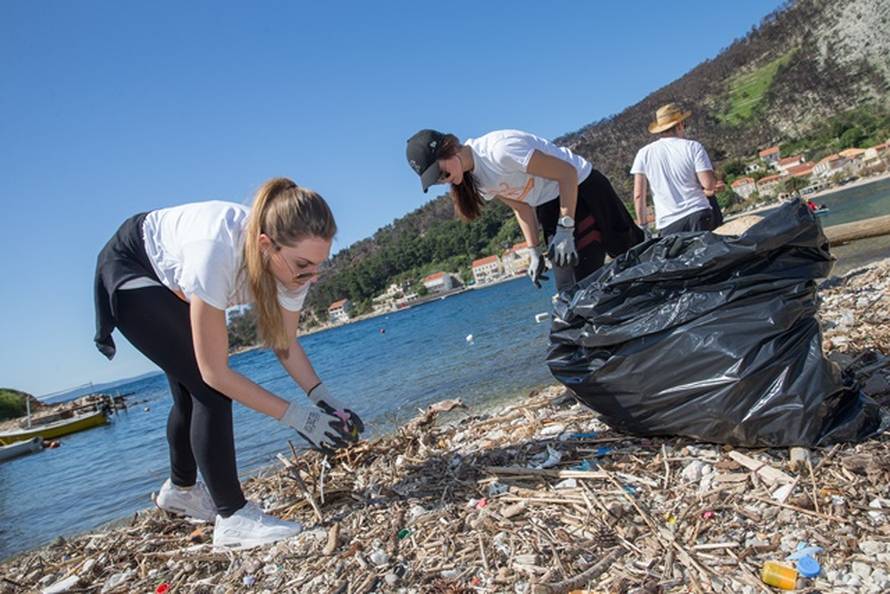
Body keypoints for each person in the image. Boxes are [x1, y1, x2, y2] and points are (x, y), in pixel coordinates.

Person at [93, 178, 364, 551]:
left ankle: (181, 491)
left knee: (190, 392)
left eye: (319, 265)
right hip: (131, 268)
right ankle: (233, 517)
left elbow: (284, 343)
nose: (311, 276)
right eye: (304, 265)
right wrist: (301, 419)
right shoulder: (215, 252)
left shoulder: (294, 265)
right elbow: (215, 373)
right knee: (208, 388)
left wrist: (326, 401)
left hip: (168, 275)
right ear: (265, 245)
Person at [405, 129, 642, 289]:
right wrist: (534, 251)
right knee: (570, 289)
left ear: (450, 149)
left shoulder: (499, 151)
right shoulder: (477, 180)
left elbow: (567, 174)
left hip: (583, 189)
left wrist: (566, 227)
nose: (444, 181)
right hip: (548, 206)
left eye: (441, 173)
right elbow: (521, 207)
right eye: (437, 180)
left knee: (632, 260)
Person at [631, 103, 719, 234]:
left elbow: (638, 196)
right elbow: (709, 184)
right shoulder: (693, 147)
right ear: (679, 125)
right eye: (684, 124)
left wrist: (644, 226)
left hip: (669, 223)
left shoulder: (643, 154)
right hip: (699, 214)